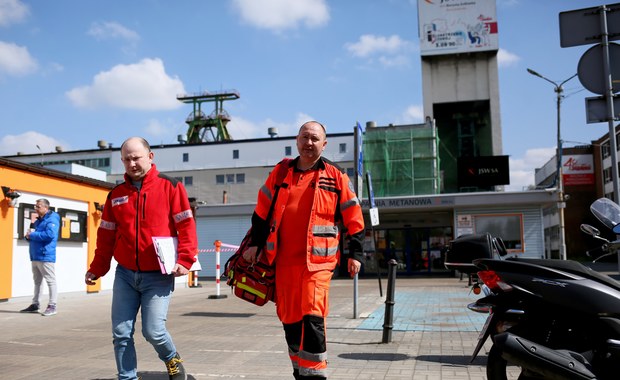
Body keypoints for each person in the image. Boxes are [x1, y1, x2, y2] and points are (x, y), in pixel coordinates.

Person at [242, 121, 365, 380]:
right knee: (289, 318)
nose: (309, 143)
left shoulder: (336, 175)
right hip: (283, 261)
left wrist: (356, 253)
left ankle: (315, 374)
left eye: (315, 138)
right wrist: (255, 244)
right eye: (305, 137)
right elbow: (262, 211)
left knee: (312, 315)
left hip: (318, 264)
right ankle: (299, 370)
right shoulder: (281, 172)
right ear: (297, 140)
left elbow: (354, 215)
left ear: (324, 144)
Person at [84, 137, 198, 380]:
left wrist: (185, 260)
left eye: (136, 157)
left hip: (158, 275)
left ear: (150, 156)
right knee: (121, 332)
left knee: (154, 331)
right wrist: (97, 268)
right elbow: (106, 235)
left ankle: (172, 359)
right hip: (125, 274)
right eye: (126, 159)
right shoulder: (115, 194)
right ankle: (127, 377)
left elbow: (186, 226)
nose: (132, 163)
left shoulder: (171, 187)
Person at [21, 198, 60, 316]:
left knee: (50, 281)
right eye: (35, 206)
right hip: (35, 255)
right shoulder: (38, 221)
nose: (36, 209)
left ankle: (52, 305)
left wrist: (32, 235)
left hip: (45, 255)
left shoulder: (52, 219)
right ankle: (35, 304)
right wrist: (28, 237)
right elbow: (34, 236)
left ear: (46, 208)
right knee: (37, 281)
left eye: (38, 206)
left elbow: (50, 235)